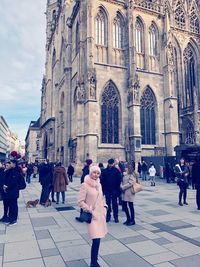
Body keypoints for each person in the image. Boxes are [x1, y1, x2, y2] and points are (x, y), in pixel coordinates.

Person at [78, 165, 107, 267]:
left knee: (98, 239)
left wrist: (105, 207)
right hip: (92, 215)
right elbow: (80, 202)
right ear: (90, 173)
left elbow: (102, 197)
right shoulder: (84, 185)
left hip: (100, 215)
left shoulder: (99, 185)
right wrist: (90, 210)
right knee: (96, 238)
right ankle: (93, 262)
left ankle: (94, 260)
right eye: (94, 172)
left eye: (98, 173)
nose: (96, 175)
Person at [101, 158, 122, 223]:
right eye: (109, 164)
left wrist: (118, 190)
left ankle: (116, 217)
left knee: (114, 204)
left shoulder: (116, 170)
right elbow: (102, 181)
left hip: (114, 190)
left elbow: (119, 180)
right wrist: (103, 191)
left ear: (113, 164)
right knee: (108, 204)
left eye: (111, 164)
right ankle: (108, 216)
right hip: (108, 190)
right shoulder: (105, 171)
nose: (110, 165)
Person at [3, 159, 23, 225]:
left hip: (14, 192)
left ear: (14, 164)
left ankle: (14, 219)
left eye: (10, 163)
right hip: (10, 192)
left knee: (14, 206)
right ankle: (11, 218)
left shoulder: (16, 172)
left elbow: (13, 182)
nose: (9, 164)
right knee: (11, 205)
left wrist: (7, 186)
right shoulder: (10, 171)